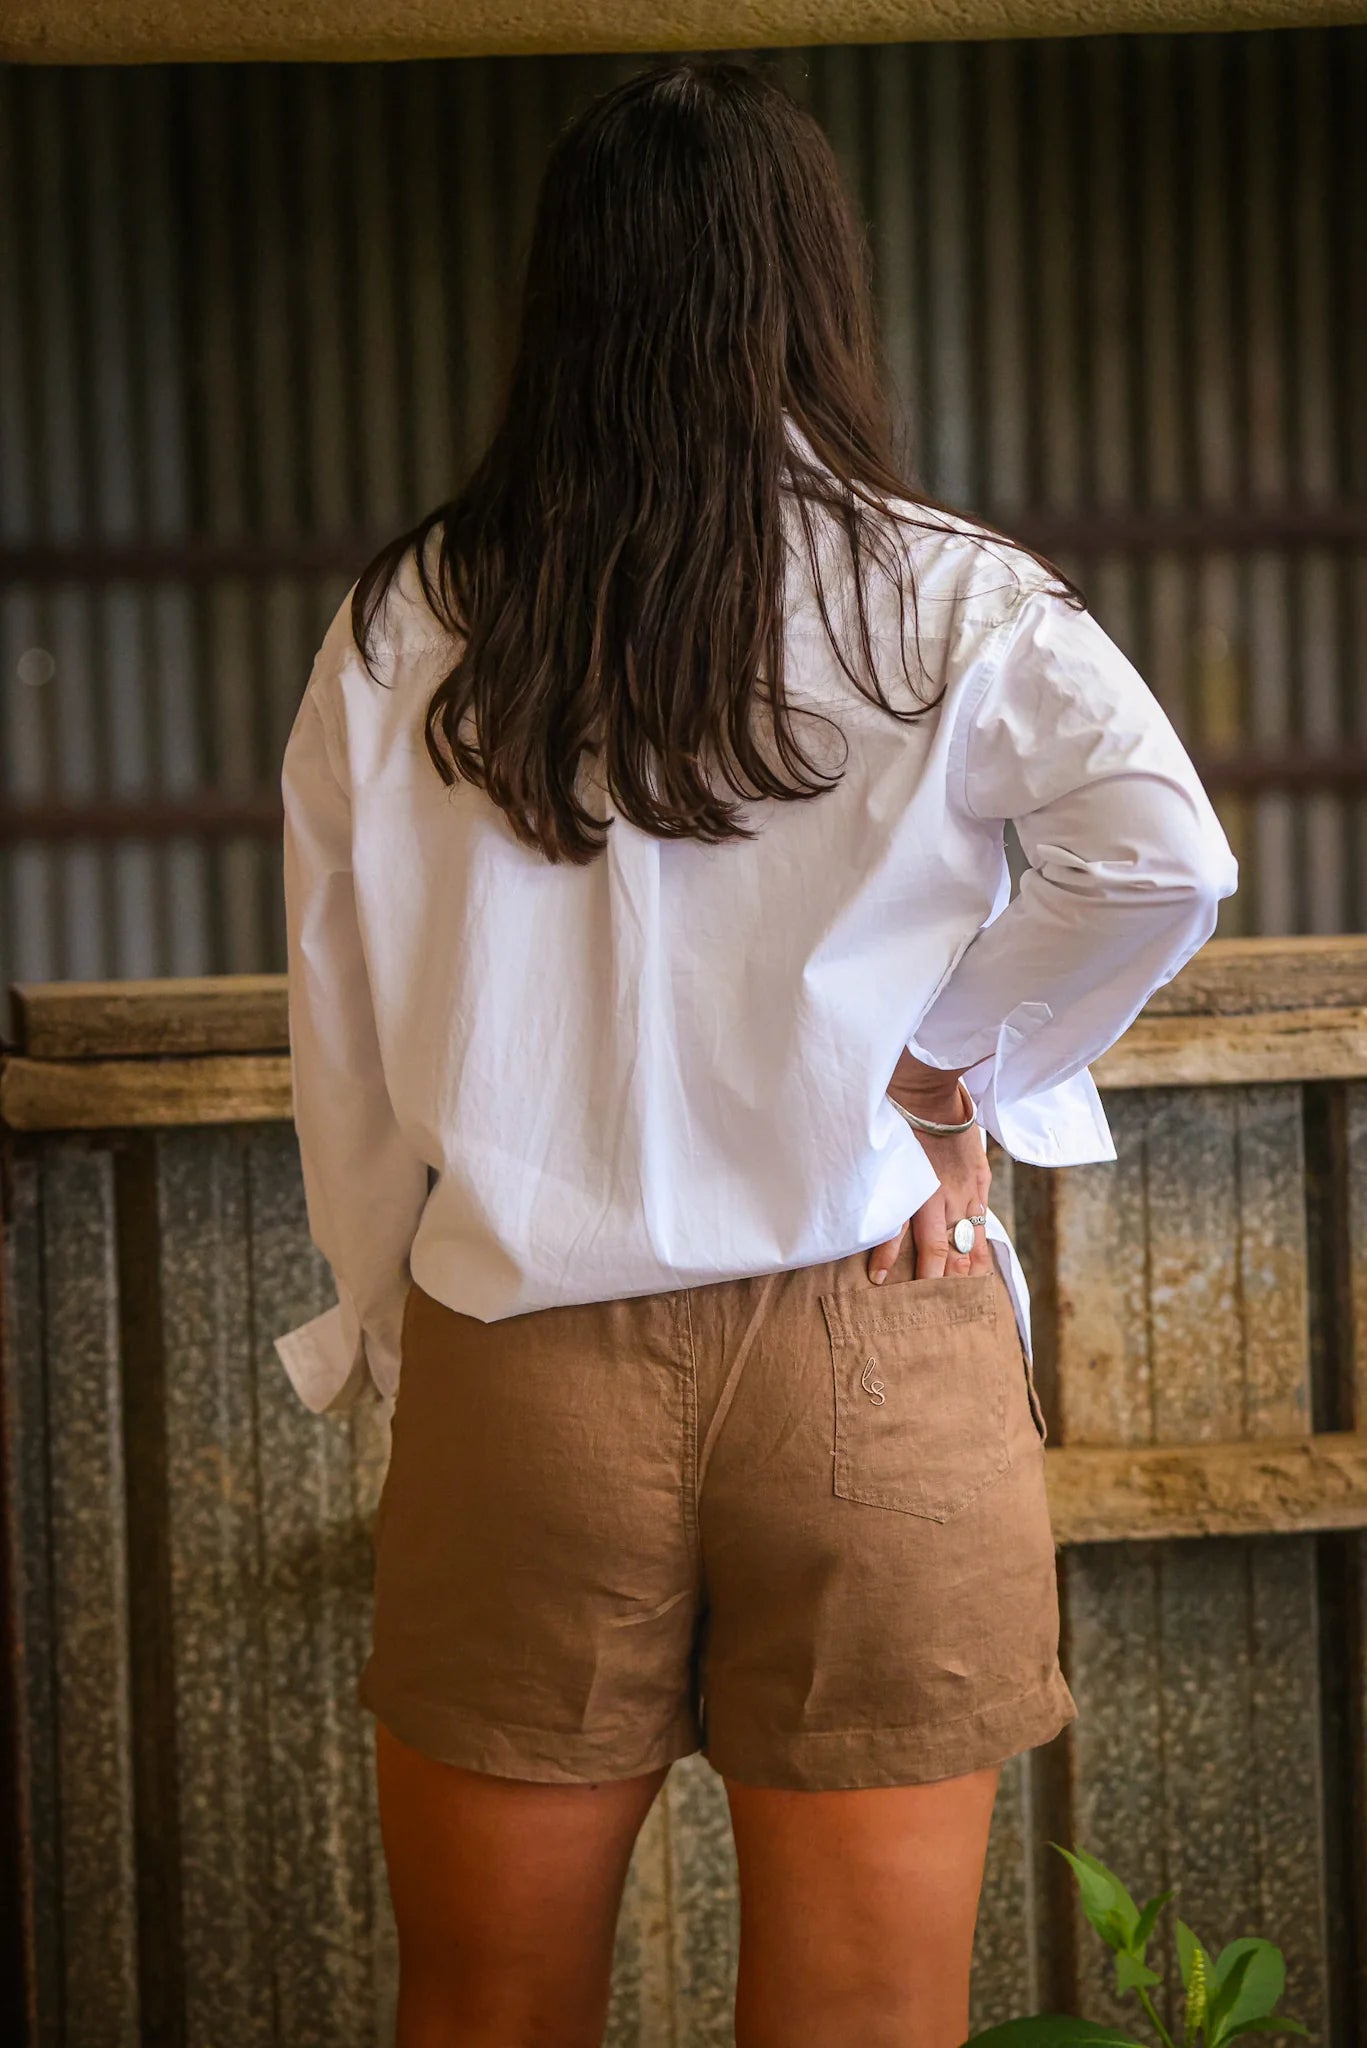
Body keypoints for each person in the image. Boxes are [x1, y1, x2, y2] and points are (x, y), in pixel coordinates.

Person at [275, 54, 1237, 2048]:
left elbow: (341, 1017)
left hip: (526, 1360)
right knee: (869, 2024)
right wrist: (950, 1070)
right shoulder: (951, 599)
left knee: (484, 2009)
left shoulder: (408, 620)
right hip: (875, 1330)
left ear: (562, 298)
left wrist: (381, 1315)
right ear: (812, 289)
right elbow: (1164, 858)